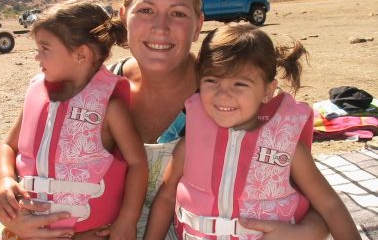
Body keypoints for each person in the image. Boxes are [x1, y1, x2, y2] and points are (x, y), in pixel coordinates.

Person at [0, 0, 329, 240]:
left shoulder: (236, 99)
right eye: (147, 10)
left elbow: (315, 204)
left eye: (179, 14)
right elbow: (13, 149)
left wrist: (306, 231)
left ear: (199, 24)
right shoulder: (87, 86)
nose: (161, 28)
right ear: (124, 17)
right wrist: (6, 201)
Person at [144, 23, 360, 240]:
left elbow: (330, 206)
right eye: (212, 80)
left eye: (239, 84)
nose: (223, 94)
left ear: (267, 90)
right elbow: (166, 196)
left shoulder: (288, 149)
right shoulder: (190, 143)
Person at [0, 0, 148, 240]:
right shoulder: (37, 93)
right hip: (26, 231)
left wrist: (127, 220)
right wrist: (4, 180)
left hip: (87, 233)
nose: (36, 57)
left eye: (45, 48)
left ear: (81, 54)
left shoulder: (110, 108)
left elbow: (138, 164)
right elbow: (8, 146)